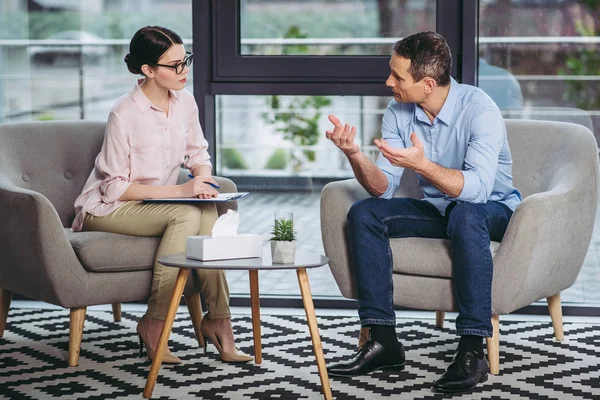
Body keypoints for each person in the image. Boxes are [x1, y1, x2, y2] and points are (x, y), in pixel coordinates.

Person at [324, 31, 521, 394]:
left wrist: (425, 166)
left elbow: (476, 191)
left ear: (427, 84)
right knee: (365, 214)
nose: (389, 82)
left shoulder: (480, 110)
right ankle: (383, 341)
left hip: (493, 210)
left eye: (398, 76)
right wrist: (355, 154)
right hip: (441, 209)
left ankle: (472, 350)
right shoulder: (399, 112)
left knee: (465, 214)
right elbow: (383, 187)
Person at [72, 26, 252, 364]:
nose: (185, 71)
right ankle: (155, 322)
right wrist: (182, 190)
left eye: (186, 60)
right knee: (186, 213)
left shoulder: (184, 102)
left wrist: (203, 184)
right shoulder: (123, 114)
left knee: (207, 211)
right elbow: (115, 186)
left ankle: (219, 319)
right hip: (107, 207)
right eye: (175, 65)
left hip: (159, 204)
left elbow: (199, 155)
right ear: (148, 70)